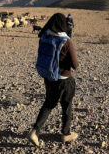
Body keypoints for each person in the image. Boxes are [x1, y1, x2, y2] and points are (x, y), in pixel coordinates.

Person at [29, 13, 79, 146]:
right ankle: (66, 134)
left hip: (49, 77)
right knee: (67, 106)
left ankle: (34, 131)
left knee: (49, 104)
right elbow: (75, 65)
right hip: (64, 79)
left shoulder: (44, 37)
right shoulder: (66, 41)